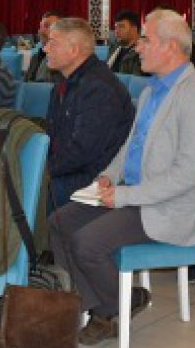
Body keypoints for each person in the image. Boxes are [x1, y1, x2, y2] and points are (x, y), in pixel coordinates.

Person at [49, 9, 195, 345]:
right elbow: (129, 147)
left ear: (170, 46)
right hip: (135, 194)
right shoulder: (151, 91)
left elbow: (190, 173)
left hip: (169, 207)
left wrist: (126, 195)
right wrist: (108, 176)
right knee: (59, 224)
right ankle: (109, 303)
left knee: (87, 243)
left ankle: (109, 308)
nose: (138, 46)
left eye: (146, 39)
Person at [44, 17, 135, 208]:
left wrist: (42, 170)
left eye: (52, 43)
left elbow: (82, 152)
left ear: (74, 50)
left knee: (19, 192)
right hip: (69, 171)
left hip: (93, 180)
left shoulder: (99, 88)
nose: (45, 49)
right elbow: (53, 137)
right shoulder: (63, 84)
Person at [25, 11, 61, 82]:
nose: (41, 31)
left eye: (47, 26)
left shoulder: (64, 61)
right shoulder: (36, 58)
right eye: (40, 26)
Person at [106, 9, 143, 75]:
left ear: (134, 28)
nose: (117, 31)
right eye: (116, 27)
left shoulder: (142, 53)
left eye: (121, 27)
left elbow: (136, 78)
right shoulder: (114, 47)